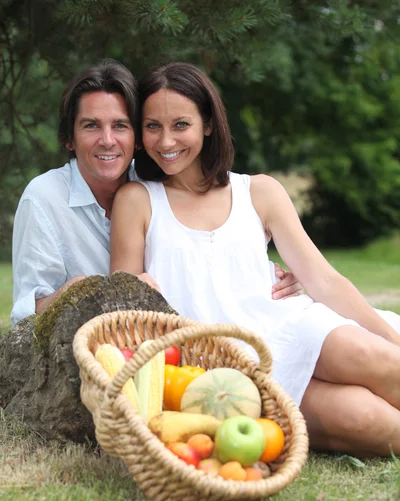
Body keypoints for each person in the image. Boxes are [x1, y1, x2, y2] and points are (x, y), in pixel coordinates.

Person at [110, 61, 400, 458]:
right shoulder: (137, 200)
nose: (165, 141)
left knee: (375, 356)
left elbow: (325, 281)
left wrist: (391, 340)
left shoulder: (259, 192)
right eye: (152, 126)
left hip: (292, 325)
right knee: (367, 421)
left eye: (181, 124)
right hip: (228, 369)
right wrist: (134, 288)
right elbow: (122, 308)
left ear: (208, 124)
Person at [11, 60, 300, 327]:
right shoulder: (44, 199)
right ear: (69, 139)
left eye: (121, 126)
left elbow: (208, 247)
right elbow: (24, 317)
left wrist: (275, 277)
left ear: (137, 137)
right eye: (91, 126)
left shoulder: (159, 183)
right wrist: (72, 292)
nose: (108, 140)